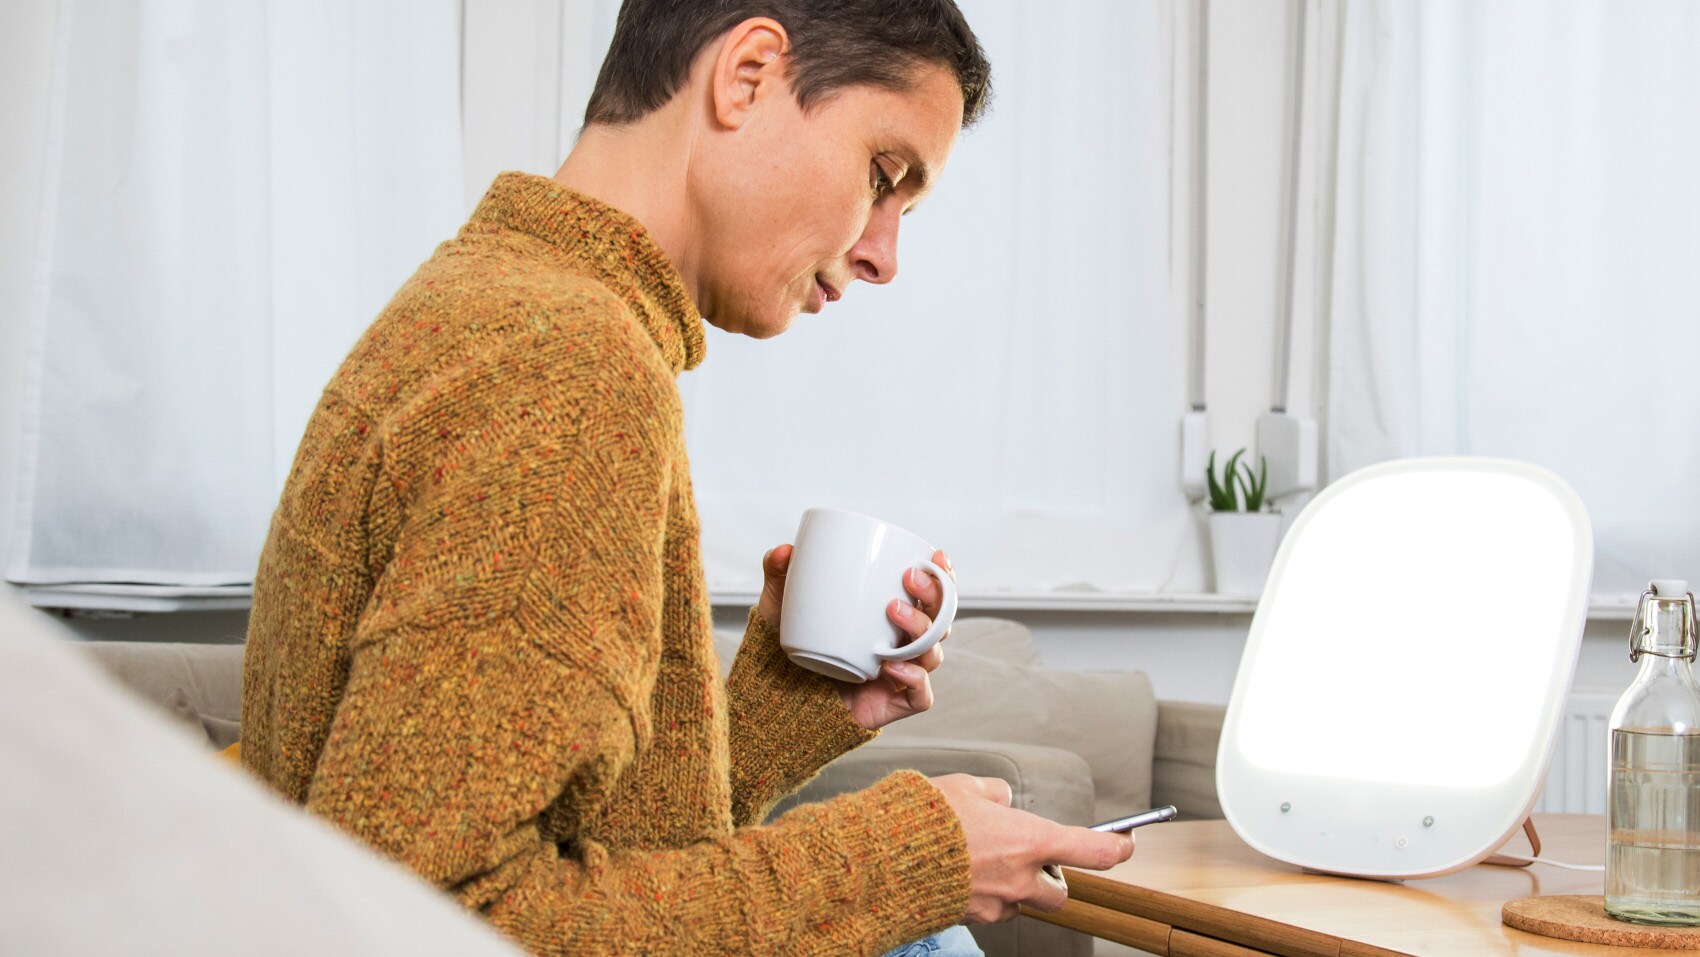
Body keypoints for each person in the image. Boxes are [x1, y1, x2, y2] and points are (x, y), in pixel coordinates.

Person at [240, 1, 1133, 954]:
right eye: (882, 175)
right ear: (747, 74)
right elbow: (421, 922)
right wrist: (910, 859)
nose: (883, 256)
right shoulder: (569, 369)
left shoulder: (494, 299)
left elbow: (552, 838)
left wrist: (774, 716)